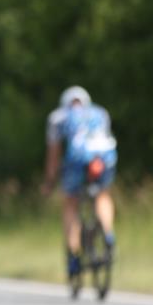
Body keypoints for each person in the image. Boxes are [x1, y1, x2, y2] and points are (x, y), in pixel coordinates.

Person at [41, 86, 117, 283]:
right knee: (102, 196)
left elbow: (54, 155)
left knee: (71, 203)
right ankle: (108, 234)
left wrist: (50, 182)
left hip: (77, 161)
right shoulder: (100, 112)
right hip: (103, 160)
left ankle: (74, 255)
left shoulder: (58, 117)